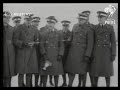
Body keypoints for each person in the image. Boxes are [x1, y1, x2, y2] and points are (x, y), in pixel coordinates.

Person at [65, 13, 94, 87]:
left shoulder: (89, 29)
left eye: (82, 19)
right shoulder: (75, 26)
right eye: (79, 19)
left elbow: (90, 44)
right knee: (72, 70)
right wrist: (67, 41)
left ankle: (82, 85)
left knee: (82, 72)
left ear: (85, 20)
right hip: (73, 52)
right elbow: (71, 37)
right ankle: (69, 84)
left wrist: (87, 55)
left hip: (82, 54)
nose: (80, 20)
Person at [90, 11, 116, 87]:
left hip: (107, 53)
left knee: (107, 72)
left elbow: (113, 42)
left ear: (105, 18)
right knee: (96, 71)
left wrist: (113, 53)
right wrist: (91, 53)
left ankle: (108, 85)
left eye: (101, 17)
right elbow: (92, 41)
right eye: (98, 17)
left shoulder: (110, 28)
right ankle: (95, 85)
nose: (99, 18)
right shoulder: (95, 28)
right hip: (97, 52)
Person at [13, 14, 39, 87]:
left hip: (31, 53)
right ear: (24, 19)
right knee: (21, 73)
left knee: (29, 72)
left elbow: (37, 40)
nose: (28, 21)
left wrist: (34, 43)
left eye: (30, 20)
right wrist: (24, 43)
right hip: (22, 53)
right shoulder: (19, 27)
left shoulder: (34, 28)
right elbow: (15, 40)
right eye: (27, 20)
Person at [39, 16, 64, 87]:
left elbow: (61, 45)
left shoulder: (59, 33)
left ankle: (56, 85)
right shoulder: (43, 34)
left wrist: (60, 54)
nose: (50, 25)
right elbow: (41, 45)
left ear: (55, 23)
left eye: (52, 23)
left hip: (56, 56)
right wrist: (43, 54)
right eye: (49, 23)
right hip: (46, 56)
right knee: (45, 73)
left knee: (56, 73)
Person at [81, 10, 95, 87]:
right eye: (85, 15)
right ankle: (83, 84)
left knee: (91, 71)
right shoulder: (78, 25)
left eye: (88, 16)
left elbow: (94, 41)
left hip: (91, 53)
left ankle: (93, 84)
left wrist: (91, 53)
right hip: (82, 53)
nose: (87, 17)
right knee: (83, 71)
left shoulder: (93, 26)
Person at [3, 11, 16, 87]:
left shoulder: (11, 28)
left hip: (10, 54)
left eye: (9, 18)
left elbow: (15, 39)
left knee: (9, 73)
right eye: (6, 17)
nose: (8, 19)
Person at [60, 20, 72, 87]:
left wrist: (66, 42)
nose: (65, 27)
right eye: (64, 26)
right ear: (62, 26)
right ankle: (64, 82)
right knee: (62, 69)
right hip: (62, 54)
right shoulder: (59, 33)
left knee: (69, 69)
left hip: (68, 53)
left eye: (66, 26)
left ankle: (69, 83)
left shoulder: (71, 33)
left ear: (68, 26)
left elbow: (69, 43)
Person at [31, 16, 41, 87]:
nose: (36, 23)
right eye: (35, 22)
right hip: (30, 52)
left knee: (37, 69)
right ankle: (30, 84)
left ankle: (36, 84)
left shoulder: (39, 31)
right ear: (32, 22)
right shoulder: (30, 30)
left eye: (37, 22)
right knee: (30, 69)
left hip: (37, 52)